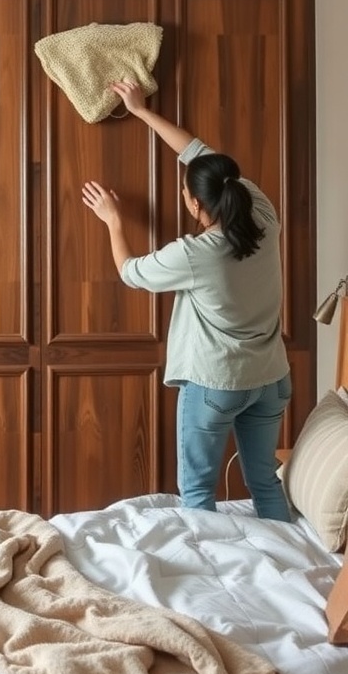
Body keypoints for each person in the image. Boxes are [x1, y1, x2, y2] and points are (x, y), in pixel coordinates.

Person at [82, 79, 292, 521]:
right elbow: (200, 154)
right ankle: (284, 568)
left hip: (217, 384)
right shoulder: (261, 209)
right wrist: (140, 111)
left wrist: (113, 221)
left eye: (185, 191)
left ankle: (210, 573)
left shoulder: (197, 255)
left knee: (197, 491)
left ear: (196, 204)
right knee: (265, 483)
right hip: (272, 379)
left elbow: (131, 273)